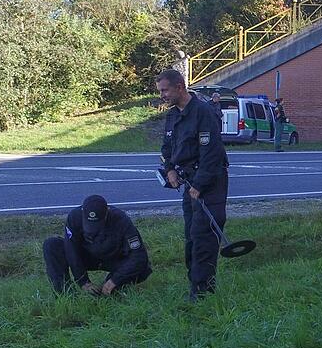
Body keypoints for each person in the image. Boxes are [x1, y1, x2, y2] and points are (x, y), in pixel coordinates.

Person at [156, 69, 229, 301]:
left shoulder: (203, 112)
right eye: (160, 91)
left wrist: (199, 184)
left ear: (179, 86)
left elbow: (212, 153)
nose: (162, 95)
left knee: (204, 236)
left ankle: (204, 291)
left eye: (165, 90)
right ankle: (194, 284)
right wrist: (169, 169)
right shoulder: (173, 116)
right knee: (191, 235)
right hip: (189, 182)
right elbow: (167, 148)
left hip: (209, 182)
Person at [42, 194, 152, 295]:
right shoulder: (74, 217)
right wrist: (83, 281)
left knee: (143, 268)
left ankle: (110, 288)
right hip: (87, 257)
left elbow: (139, 255)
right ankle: (64, 294)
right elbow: (71, 250)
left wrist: (115, 280)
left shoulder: (121, 220)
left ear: (106, 215)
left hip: (113, 257)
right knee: (51, 245)